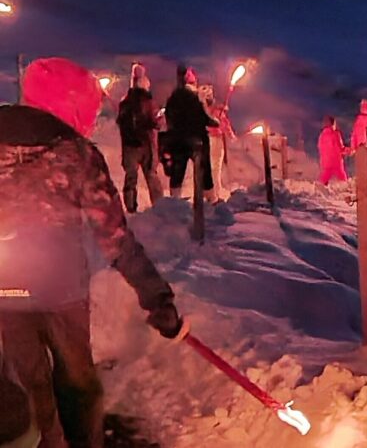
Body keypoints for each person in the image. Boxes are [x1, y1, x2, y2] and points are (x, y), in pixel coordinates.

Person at [0, 58, 185, 448]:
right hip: (62, 286)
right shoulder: (77, 153)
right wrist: (157, 298)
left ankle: (47, 439)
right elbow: (115, 237)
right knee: (77, 381)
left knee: (30, 379)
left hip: (4, 286)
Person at [163, 66, 219, 199]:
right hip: (197, 139)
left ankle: (174, 198)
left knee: (178, 170)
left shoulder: (174, 96)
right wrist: (214, 122)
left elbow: (168, 115)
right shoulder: (196, 97)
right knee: (203, 169)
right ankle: (209, 198)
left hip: (178, 139)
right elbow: (203, 116)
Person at [116, 63, 164, 213]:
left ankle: (131, 207)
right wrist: (159, 119)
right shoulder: (149, 102)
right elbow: (155, 123)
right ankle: (160, 206)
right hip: (146, 144)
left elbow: (121, 122)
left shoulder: (124, 102)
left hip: (129, 146)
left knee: (130, 177)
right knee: (151, 175)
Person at [199, 85, 236, 204]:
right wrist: (231, 136)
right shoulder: (214, 111)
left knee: (209, 168)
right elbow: (223, 124)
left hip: (205, 140)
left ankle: (209, 192)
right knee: (215, 168)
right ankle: (214, 193)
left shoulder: (201, 109)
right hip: (214, 139)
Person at [317, 115, 348, 185]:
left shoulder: (322, 136)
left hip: (325, 161)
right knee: (343, 179)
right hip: (336, 161)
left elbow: (320, 147)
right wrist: (349, 150)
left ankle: (320, 187)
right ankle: (346, 187)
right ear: (333, 124)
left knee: (324, 178)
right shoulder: (335, 134)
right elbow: (340, 148)